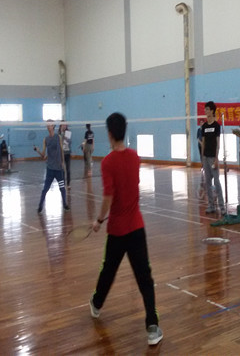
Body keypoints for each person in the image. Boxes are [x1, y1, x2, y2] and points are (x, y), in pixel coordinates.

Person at [89, 112, 163, 346]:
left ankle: (96, 304)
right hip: (136, 228)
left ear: (110, 133)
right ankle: (152, 326)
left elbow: (108, 196)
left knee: (108, 271)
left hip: (117, 231)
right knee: (145, 278)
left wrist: (98, 220)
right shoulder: (134, 157)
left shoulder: (108, 162)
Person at [35, 119, 69, 212]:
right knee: (45, 189)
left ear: (53, 126)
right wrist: (38, 150)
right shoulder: (46, 139)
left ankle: (65, 204)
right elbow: (43, 155)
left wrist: (63, 163)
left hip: (58, 169)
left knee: (62, 188)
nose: (48, 126)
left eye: (49, 124)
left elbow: (61, 150)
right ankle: (40, 206)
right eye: (47, 125)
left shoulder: (58, 137)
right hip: (50, 169)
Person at [201, 101, 226, 214]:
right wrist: (202, 158)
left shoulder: (216, 126)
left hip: (213, 157)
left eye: (207, 109)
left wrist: (216, 158)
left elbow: (218, 143)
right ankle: (211, 205)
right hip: (206, 157)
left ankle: (222, 206)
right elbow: (203, 142)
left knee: (216, 181)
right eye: (205, 109)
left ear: (212, 111)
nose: (206, 111)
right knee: (207, 182)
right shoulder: (204, 126)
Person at [59, 123, 72, 188]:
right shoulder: (59, 133)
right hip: (62, 153)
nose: (64, 126)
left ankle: (68, 184)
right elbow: (60, 142)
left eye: (65, 125)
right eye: (63, 125)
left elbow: (68, 141)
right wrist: (61, 133)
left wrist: (64, 136)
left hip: (67, 153)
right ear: (61, 126)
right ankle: (63, 183)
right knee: (62, 169)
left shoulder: (68, 132)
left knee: (68, 169)